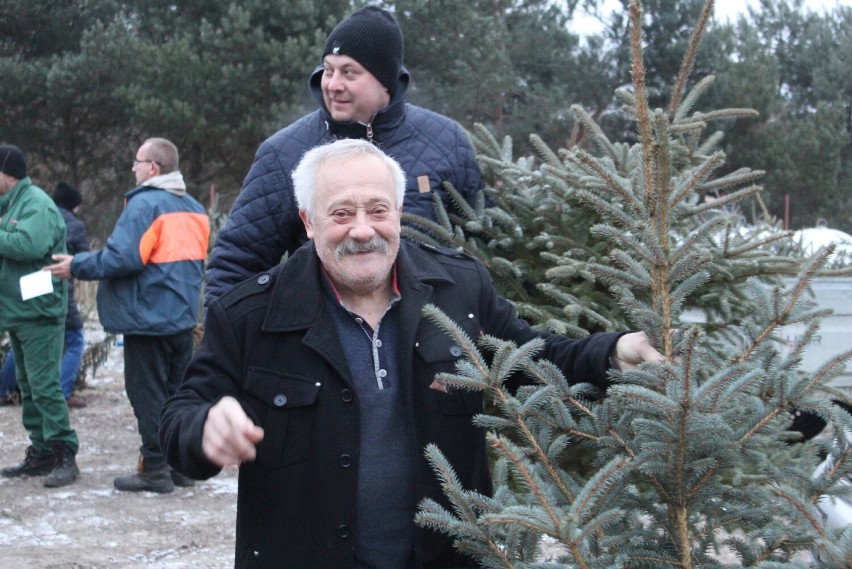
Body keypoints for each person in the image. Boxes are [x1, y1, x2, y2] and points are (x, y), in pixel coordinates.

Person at [160, 139, 664, 568]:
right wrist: (204, 427)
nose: (363, 229)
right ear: (308, 222)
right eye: (341, 214)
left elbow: (531, 358)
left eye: (378, 210)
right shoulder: (250, 315)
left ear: (399, 213)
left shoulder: (458, 289)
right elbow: (179, 418)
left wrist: (612, 353)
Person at [204, 5, 484, 306]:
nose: (333, 84)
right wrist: (226, 347)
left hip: (433, 336)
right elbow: (236, 263)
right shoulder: (284, 152)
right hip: (322, 342)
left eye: (349, 72)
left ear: (385, 81)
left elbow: (484, 243)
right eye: (328, 69)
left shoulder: (446, 140)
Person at [46, 138, 210, 494]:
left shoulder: (144, 206)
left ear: (153, 167)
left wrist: (77, 265)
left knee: (147, 396)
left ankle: (154, 469)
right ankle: (180, 468)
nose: (132, 168)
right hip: (182, 318)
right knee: (176, 395)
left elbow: (122, 258)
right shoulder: (196, 207)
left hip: (148, 318)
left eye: (136, 162)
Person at [0, 144, 80, 488]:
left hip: (40, 312)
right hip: (19, 310)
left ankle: (65, 453)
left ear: (7, 173)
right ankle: (42, 450)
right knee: (29, 385)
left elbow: (29, 246)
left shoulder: (36, 204)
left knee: (45, 386)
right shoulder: (12, 204)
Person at [0, 182, 90, 408]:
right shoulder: (74, 225)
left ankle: (5, 389)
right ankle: (62, 392)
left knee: (20, 339)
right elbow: (84, 261)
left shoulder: (32, 211)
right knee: (75, 339)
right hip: (56, 290)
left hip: (26, 286)